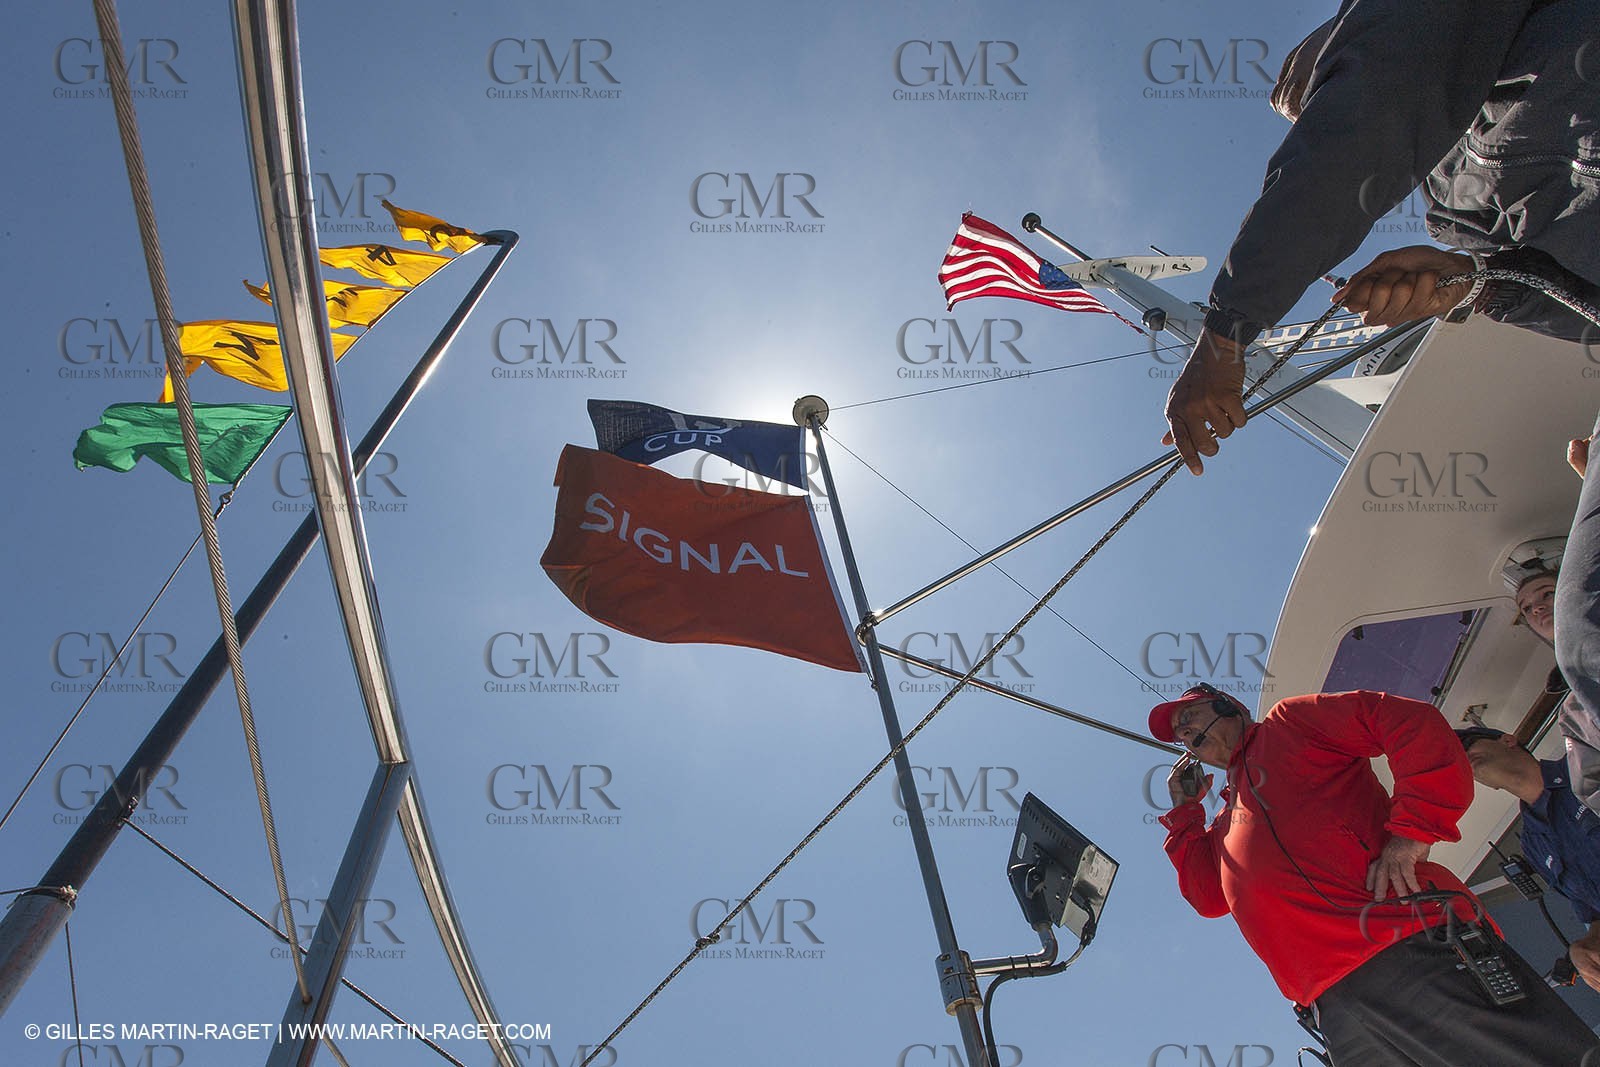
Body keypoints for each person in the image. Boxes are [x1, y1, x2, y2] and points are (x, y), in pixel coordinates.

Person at [1163, 1, 1600, 475]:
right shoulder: (1459, 217)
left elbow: (1372, 102)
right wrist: (1477, 283)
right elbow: (1579, 300)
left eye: (1331, 87)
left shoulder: (1408, 42)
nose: (1329, 110)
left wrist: (1227, 330)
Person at [1152, 683, 1600, 1065]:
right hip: (1335, 1011)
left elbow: (1411, 723)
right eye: (1181, 734)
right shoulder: (1226, 817)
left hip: (1404, 948)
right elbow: (1209, 898)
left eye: (1190, 716)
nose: (1187, 732)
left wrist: (1413, 833)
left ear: (1228, 704)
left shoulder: (1289, 722)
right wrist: (1186, 814)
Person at [1456, 725, 1600, 992]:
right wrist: (1583, 948)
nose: (1464, 759)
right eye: (1456, 761)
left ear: (1508, 740)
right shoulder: (1533, 844)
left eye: (1467, 746)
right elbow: (1592, 912)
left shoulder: (1583, 762)